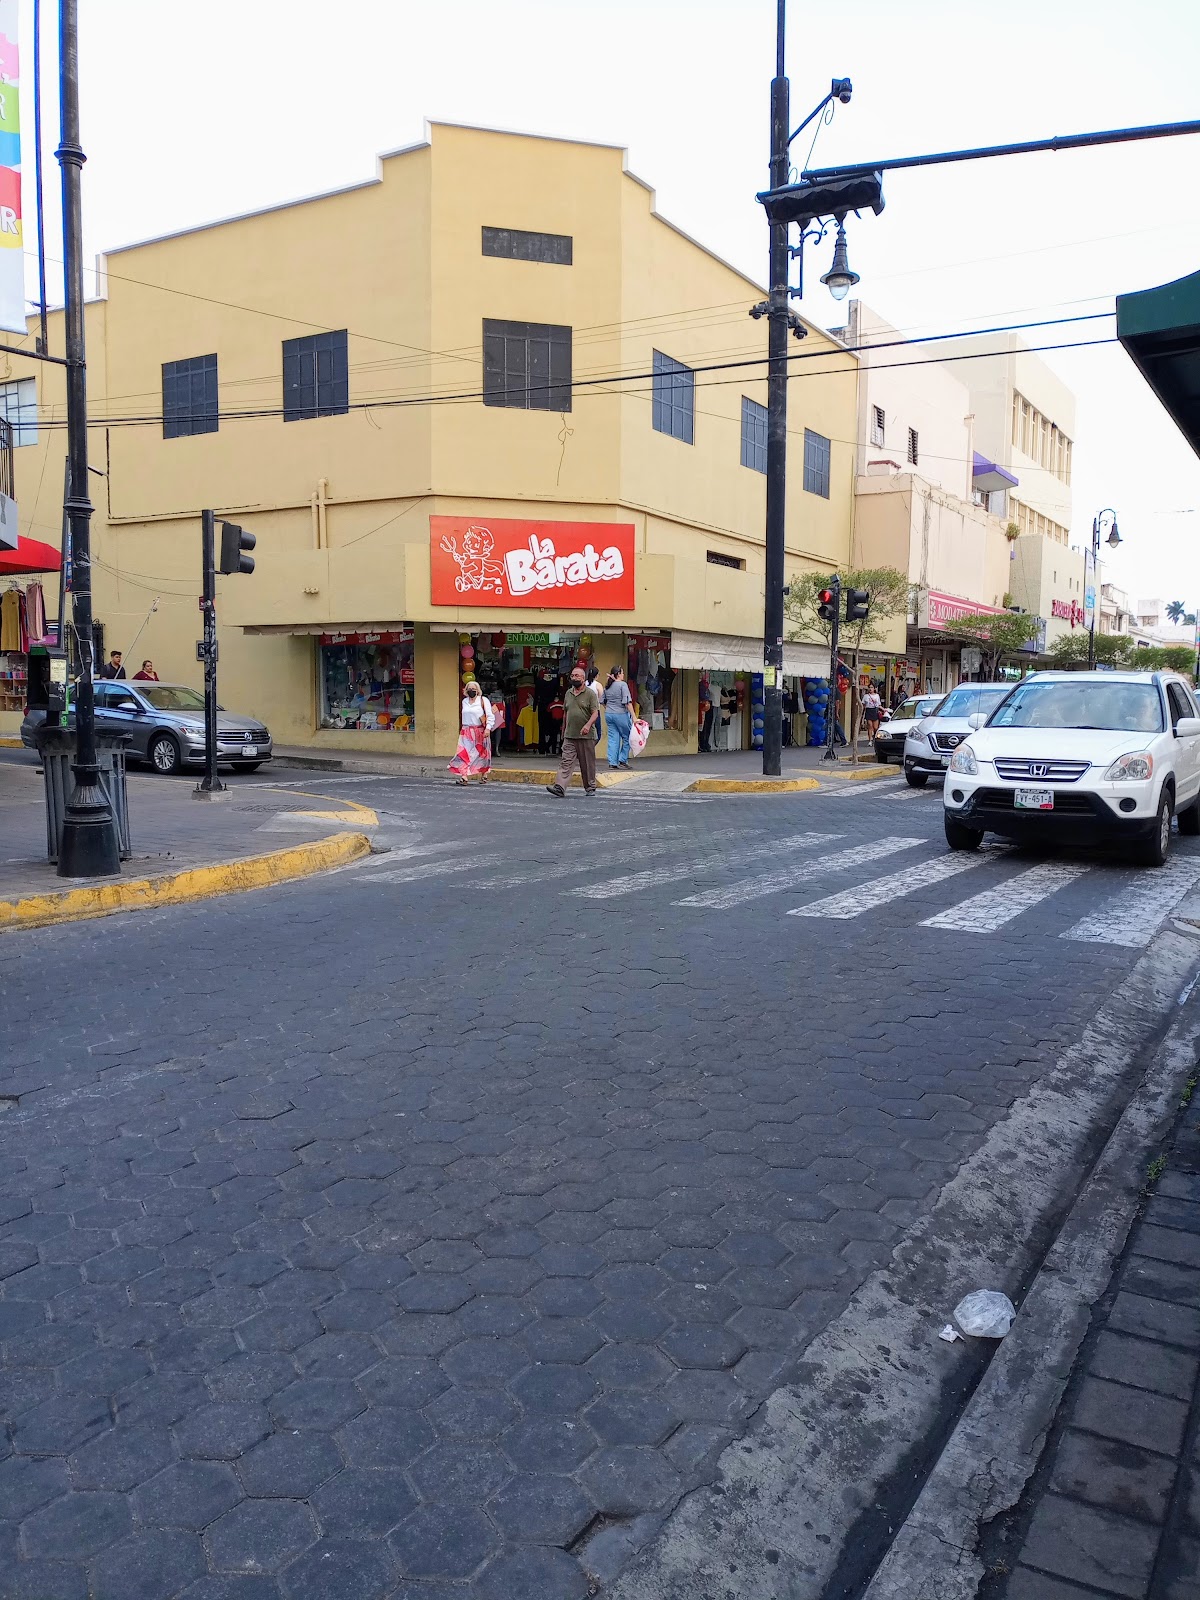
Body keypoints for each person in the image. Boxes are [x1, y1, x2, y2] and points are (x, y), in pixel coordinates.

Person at [546, 665, 600, 798]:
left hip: (586, 736)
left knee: (587, 764)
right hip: (570, 735)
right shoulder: (568, 693)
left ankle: (590, 787)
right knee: (566, 761)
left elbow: (595, 714)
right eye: (572, 676)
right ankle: (560, 786)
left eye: (577, 676)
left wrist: (587, 725)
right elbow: (566, 713)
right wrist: (564, 730)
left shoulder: (590, 694)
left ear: (583, 678)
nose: (574, 678)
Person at [448, 680, 492, 785]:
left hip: (479, 731)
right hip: (466, 731)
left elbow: (490, 715)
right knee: (464, 754)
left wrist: (488, 728)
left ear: (478, 690)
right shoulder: (464, 701)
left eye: (474, 689)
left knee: (482, 754)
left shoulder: (483, 700)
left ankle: (484, 774)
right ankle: (464, 776)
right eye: (469, 689)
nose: (471, 690)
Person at [602, 664, 633, 769]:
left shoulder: (608, 686)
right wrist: (634, 717)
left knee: (613, 738)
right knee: (627, 737)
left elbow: (602, 700)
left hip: (609, 714)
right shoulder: (622, 685)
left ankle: (612, 762)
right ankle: (622, 759)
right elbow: (627, 702)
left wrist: (608, 708)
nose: (623, 675)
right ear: (618, 674)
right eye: (622, 673)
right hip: (621, 714)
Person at [489, 693, 505, 758]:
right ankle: (493, 749)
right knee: (491, 729)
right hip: (492, 707)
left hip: (498, 708)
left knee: (498, 728)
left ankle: (496, 748)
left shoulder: (501, 701)